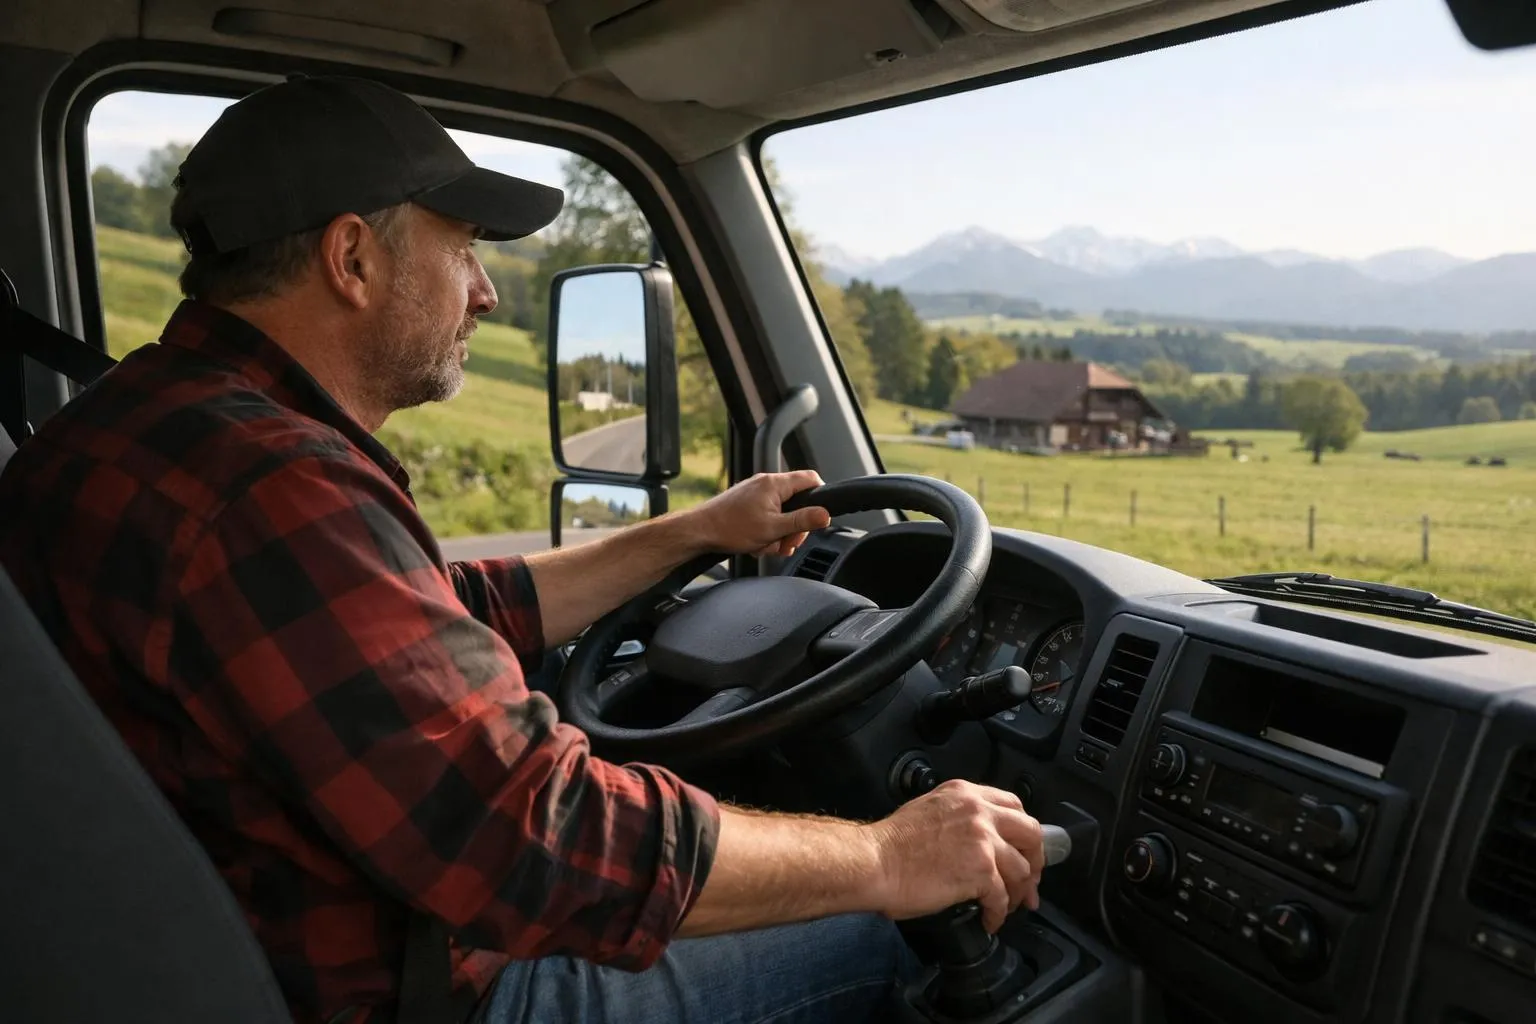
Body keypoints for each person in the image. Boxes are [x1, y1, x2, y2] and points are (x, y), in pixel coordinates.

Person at [0, 76, 1045, 1024]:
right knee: (920, 925)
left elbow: (426, 617)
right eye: (461, 249)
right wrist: (883, 853)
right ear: (352, 258)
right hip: (419, 993)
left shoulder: (130, 424)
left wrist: (697, 530)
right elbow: (534, 832)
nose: (486, 292)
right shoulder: (272, 488)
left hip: (236, 951)